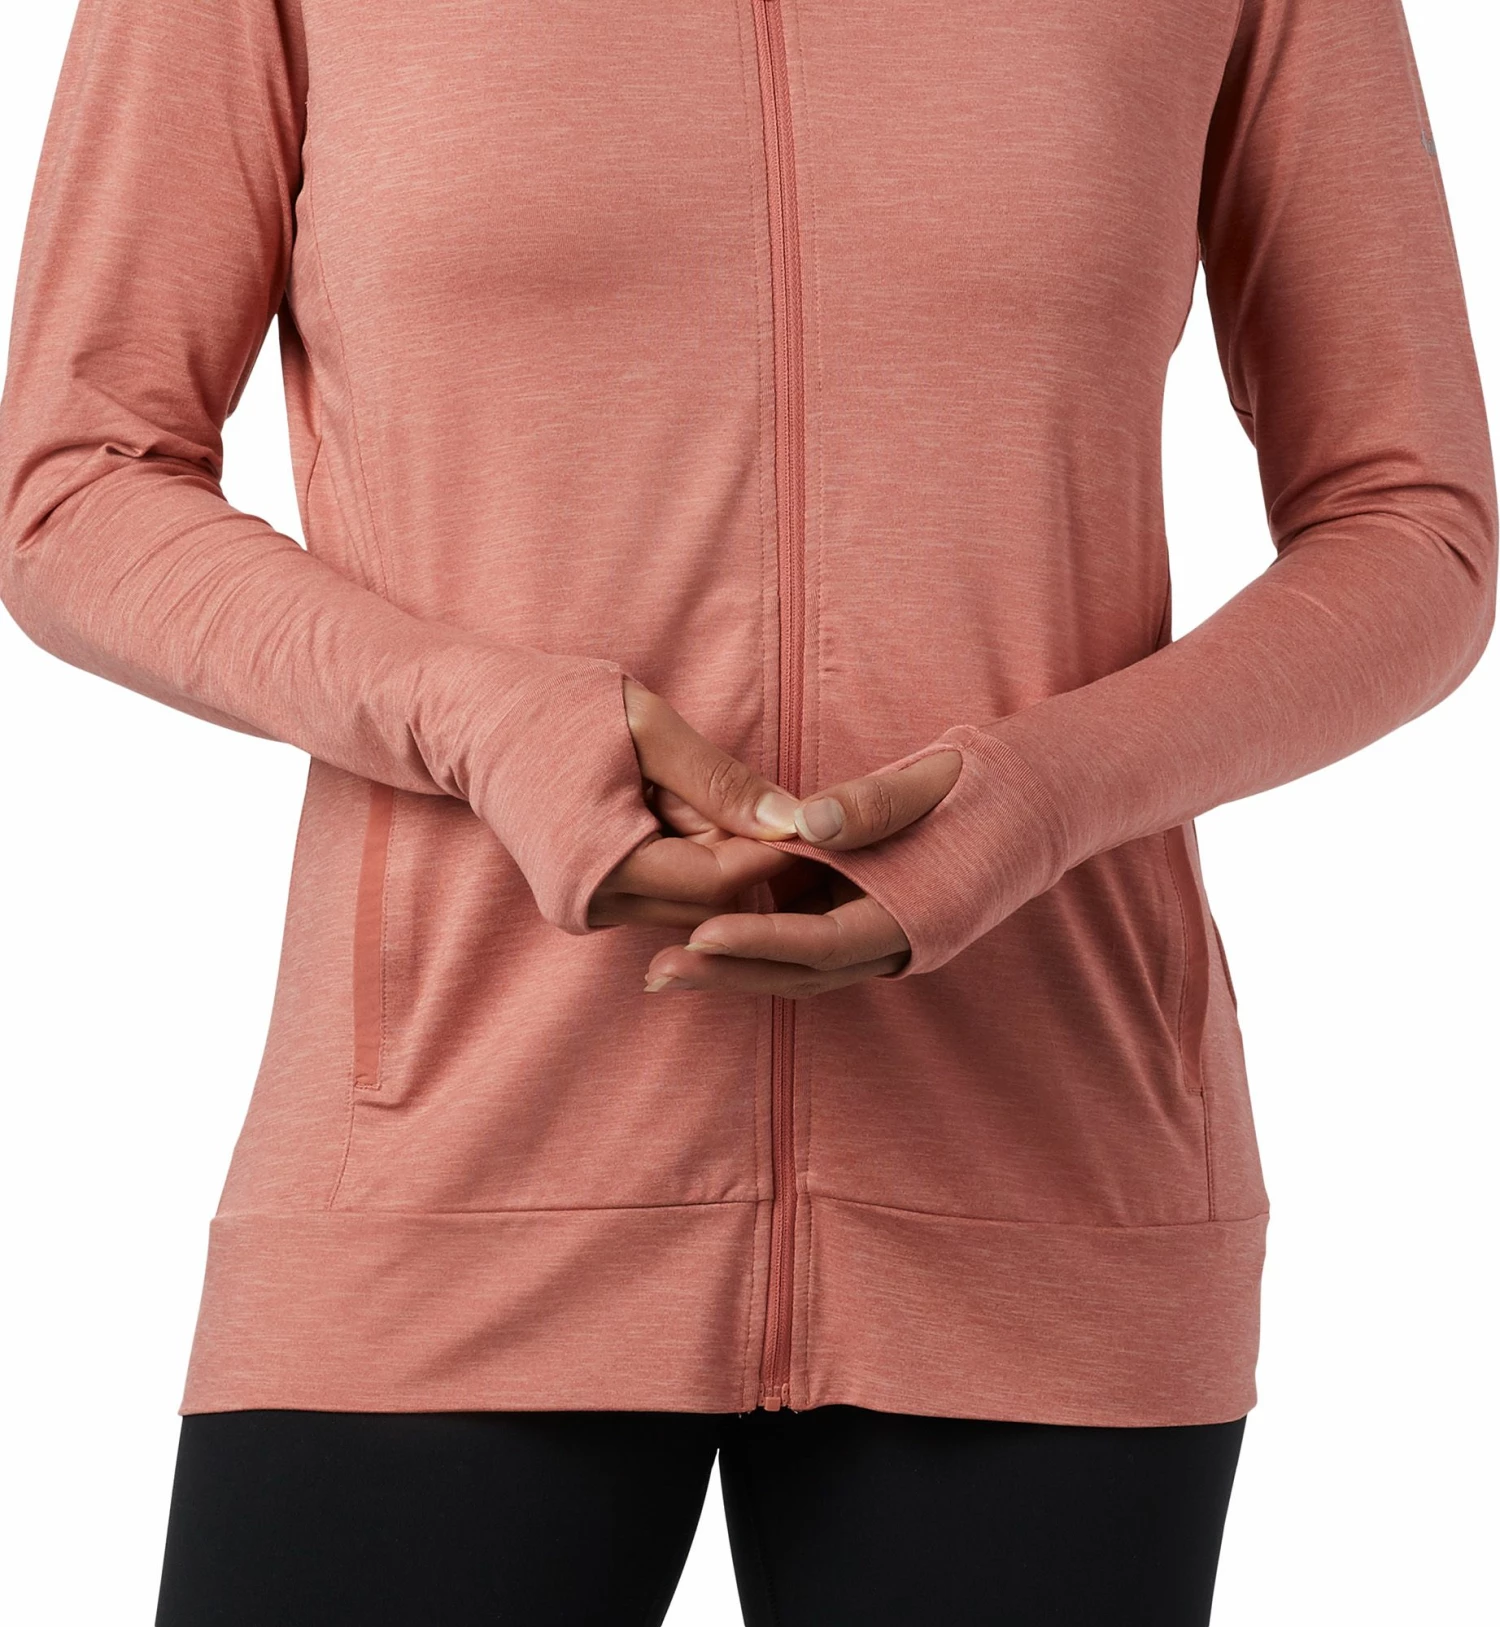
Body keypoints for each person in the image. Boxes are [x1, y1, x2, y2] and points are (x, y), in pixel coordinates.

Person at [0, 0, 1492, 1621]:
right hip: (447, 1162)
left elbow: (1412, 525)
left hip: (1044, 1176)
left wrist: (1047, 795)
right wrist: (477, 717)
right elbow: (77, 480)